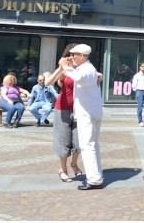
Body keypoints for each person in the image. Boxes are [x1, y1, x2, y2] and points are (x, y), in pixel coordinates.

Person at [61, 44, 104, 190]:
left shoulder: (85, 69)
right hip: (91, 112)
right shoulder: (88, 69)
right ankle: (96, 176)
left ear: (81, 56)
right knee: (92, 146)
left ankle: (94, 179)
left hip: (87, 114)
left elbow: (77, 77)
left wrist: (64, 66)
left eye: (74, 55)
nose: (71, 57)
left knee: (87, 146)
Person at [45, 43, 82, 183]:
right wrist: (60, 68)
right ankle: (63, 169)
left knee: (79, 140)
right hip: (63, 108)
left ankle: (74, 164)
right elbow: (48, 82)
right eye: (73, 54)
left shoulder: (81, 69)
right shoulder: (65, 70)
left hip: (79, 109)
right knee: (63, 139)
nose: (75, 57)